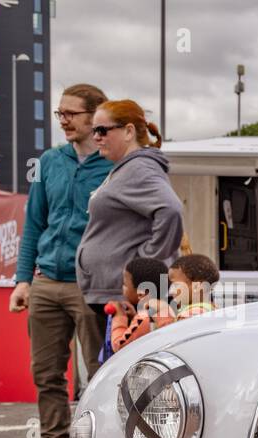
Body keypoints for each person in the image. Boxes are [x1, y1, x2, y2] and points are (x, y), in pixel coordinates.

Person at [7, 83, 114, 438]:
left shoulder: (114, 165)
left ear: (95, 117)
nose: (64, 121)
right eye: (60, 114)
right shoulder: (50, 161)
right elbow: (34, 223)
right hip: (47, 282)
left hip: (93, 286)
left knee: (101, 373)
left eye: (72, 114)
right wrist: (23, 280)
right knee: (46, 373)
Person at [75, 99, 183, 345]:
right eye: (94, 131)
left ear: (129, 131)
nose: (96, 137)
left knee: (117, 375)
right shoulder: (125, 168)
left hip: (125, 298)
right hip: (117, 295)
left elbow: (171, 210)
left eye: (102, 130)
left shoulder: (139, 168)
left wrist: (144, 264)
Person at [107, 256, 173, 353]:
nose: (122, 288)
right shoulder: (167, 308)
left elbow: (120, 346)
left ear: (143, 292)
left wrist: (119, 317)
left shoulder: (144, 318)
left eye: (125, 284)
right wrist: (134, 316)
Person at [167, 254, 220, 318]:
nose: (171, 291)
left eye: (176, 285)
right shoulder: (213, 310)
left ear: (197, 287)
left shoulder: (188, 316)